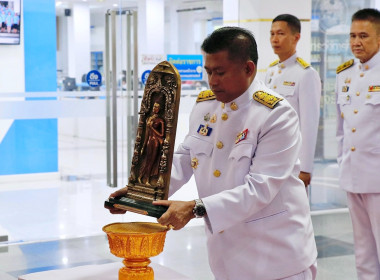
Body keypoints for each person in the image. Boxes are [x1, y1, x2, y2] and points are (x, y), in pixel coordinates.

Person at [107, 26, 317, 280]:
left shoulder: (275, 114)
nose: (212, 81)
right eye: (208, 71)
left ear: (248, 69)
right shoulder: (205, 106)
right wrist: (140, 190)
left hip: (276, 255)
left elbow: (260, 188)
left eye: (220, 72)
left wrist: (196, 208)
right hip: (226, 255)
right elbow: (185, 157)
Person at [335, 8, 380, 280]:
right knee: (363, 250)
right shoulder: (345, 74)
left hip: (379, 177)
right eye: (352, 35)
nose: (356, 42)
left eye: (363, 35)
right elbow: (342, 130)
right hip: (353, 173)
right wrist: (343, 163)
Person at [265, 14, 321, 188]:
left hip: (293, 160)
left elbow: (309, 125)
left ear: (296, 37)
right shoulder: (271, 71)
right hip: (269, 156)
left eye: (280, 33)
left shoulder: (306, 74)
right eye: (272, 34)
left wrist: (305, 168)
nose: (274, 39)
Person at [137, 102, 165, 186]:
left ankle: (148, 179)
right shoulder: (148, 119)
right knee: (147, 160)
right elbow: (146, 134)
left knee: (153, 161)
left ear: (159, 109)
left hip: (156, 142)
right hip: (150, 141)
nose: (155, 108)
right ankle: (141, 176)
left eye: (157, 107)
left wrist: (151, 127)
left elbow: (161, 134)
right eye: (154, 107)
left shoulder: (161, 121)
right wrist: (143, 146)